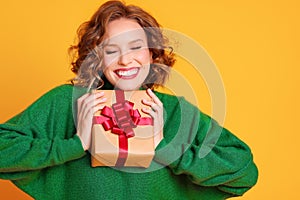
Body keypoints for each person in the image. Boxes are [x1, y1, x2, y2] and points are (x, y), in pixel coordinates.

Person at [0, 1, 258, 199]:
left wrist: (167, 148)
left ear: (152, 54)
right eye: (111, 50)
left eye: (135, 47)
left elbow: (244, 172)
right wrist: (76, 144)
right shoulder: (67, 103)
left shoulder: (174, 111)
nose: (125, 60)